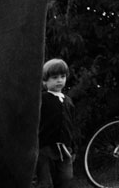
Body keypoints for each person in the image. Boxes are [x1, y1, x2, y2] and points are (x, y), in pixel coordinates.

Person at [36, 58, 77, 187]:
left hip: (65, 148)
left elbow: (72, 125)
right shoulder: (42, 99)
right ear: (45, 81)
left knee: (66, 178)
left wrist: (73, 147)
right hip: (45, 147)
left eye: (62, 76)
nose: (59, 80)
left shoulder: (68, 101)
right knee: (45, 181)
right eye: (54, 77)